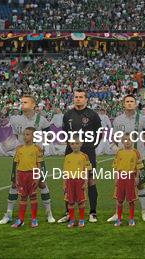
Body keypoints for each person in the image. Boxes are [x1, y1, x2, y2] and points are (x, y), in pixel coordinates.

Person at [0, 95, 55, 225]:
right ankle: (8, 214)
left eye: (26, 102)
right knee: (14, 184)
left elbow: (50, 135)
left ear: (33, 104)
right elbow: (14, 136)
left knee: (42, 184)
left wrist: (43, 144)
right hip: (20, 157)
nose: (22, 104)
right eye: (22, 102)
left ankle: (49, 214)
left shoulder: (42, 120)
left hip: (37, 158)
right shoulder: (16, 119)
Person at [107, 95, 145, 223]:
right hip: (122, 160)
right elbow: (115, 138)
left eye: (131, 101)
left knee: (140, 183)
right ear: (123, 104)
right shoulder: (117, 120)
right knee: (120, 186)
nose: (129, 103)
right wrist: (118, 150)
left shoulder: (142, 119)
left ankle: (144, 212)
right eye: (127, 101)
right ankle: (118, 214)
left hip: (138, 157)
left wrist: (140, 150)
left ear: (135, 104)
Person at [58, 89, 102, 223]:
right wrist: (71, 146)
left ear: (86, 99)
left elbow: (99, 133)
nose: (78, 99)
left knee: (90, 180)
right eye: (76, 97)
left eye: (81, 97)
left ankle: (93, 212)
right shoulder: (68, 115)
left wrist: (91, 146)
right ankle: (68, 213)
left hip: (88, 152)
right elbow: (64, 132)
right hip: (71, 152)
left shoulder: (93, 115)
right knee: (69, 181)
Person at [11, 127, 42, 228]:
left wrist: (37, 177)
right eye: (24, 134)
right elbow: (16, 164)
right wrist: (16, 178)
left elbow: (39, 164)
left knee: (33, 196)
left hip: (32, 174)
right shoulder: (19, 149)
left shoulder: (37, 148)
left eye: (28, 134)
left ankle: (34, 219)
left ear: (34, 136)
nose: (25, 136)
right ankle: (21, 219)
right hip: (21, 175)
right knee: (23, 197)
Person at [113, 133, 143, 227]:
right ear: (122, 141)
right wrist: (116, 177)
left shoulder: (136, 152)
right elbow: (115, 166)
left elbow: (139, 167)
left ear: (132, 141)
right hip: (121, 177)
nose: (127, 141)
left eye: (129, 139)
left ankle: (131, 219)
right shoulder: (119, 152)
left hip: (131, 177)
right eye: (125, 140)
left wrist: (137, 177)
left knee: (131, 200)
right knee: (119, 200)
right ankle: (119, 219)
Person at [63, 137, 92, 228]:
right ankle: (72, 220)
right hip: (70, 181)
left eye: (76, 143)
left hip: (80, 181)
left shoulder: (84, 156)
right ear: (69, 145)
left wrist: (86, 181)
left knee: (81, 201)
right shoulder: (67, 157)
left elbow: (87, 170)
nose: (74, 145)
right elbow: (65, 172)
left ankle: (81, 220)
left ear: (81, 144)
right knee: (70, 202)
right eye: (72, 144)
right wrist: (64, 184)